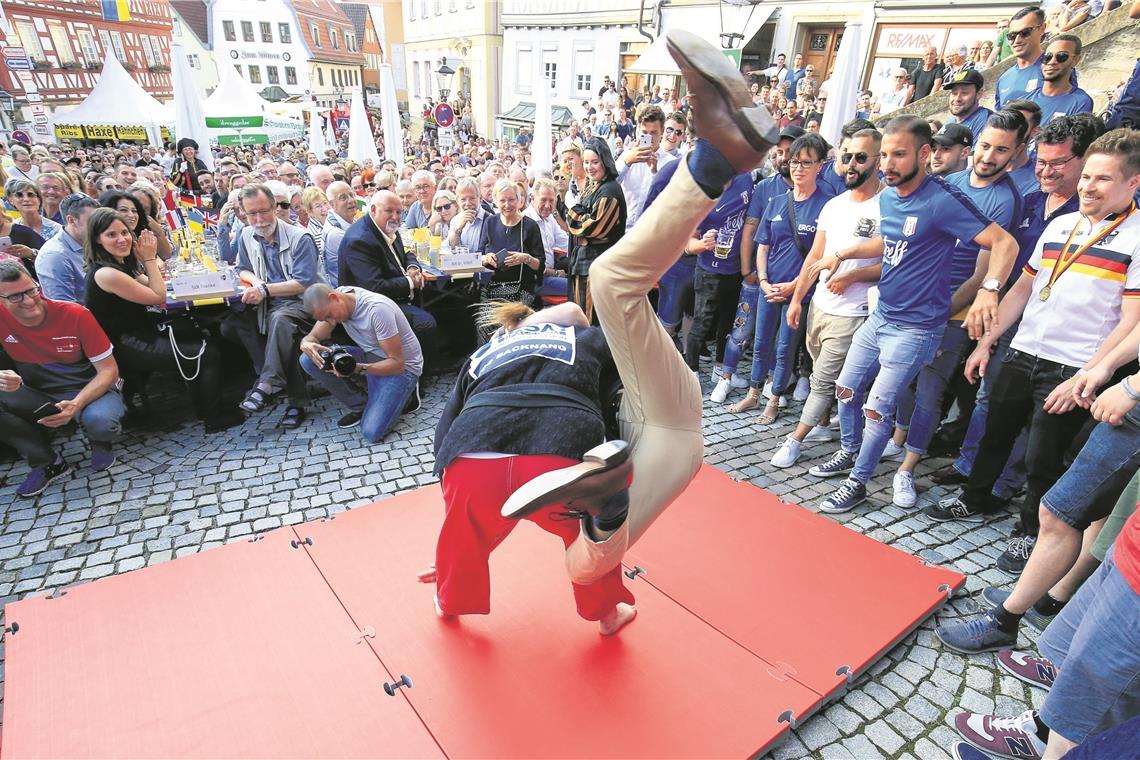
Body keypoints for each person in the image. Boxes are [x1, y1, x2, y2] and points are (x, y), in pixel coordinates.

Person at [493, 29, 778, 596]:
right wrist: (523, 333)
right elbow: (573, 321)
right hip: (654, 414)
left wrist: (520, 336)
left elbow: (573, 317)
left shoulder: (527, 374)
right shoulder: (535, 359)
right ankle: (715, 158)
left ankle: (715, 156)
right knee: (610, 282)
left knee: (587, 566)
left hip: (660, 426)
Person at [928, 129, 1140, 576]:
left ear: (1132, 184)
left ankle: (1031, 531)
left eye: (1103, 179)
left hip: (1072, 364)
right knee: (994, 432)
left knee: (1044, 457)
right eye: (1088, 177)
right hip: (1023, 349)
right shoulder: (1061, 225)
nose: (1088, 186)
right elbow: (1024, 287)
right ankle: (976, 495)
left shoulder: (1136, 237)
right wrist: (985, 342)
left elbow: (1130, 321)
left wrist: (1089, 375)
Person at [808, 115, 1019, 514]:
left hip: (916, 327)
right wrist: (842, 253)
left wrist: (989, 292)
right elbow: (890, 239)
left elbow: (1003, 242)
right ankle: (850, 454)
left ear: (924, 154)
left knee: (878, 407)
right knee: (846, 390)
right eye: (884, 154)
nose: (887, 163)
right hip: (881, 316)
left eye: (898, 154)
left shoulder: (942, 200)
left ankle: (859, 482)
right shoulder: (889, 196)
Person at [887, 111, 1027, 508]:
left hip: (950, 310)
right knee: (904, 379)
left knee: (932, 389)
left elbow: (982, 271)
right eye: (985, 146)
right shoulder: (949, 182)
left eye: (1001, 150)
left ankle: (909, 466)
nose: (988, 156)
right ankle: (897, 440)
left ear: (1017, 153)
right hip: (919, 302)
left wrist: (941, 309)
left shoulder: (1005, 201)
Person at [770, 129, 884, 467]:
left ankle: (794, 440)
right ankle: (824, 424)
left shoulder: (888, 205)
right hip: (820, 305)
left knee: (821, 380)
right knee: (820, 369)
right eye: (847, 156)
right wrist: (796, 299)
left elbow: (893, 261)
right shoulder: (834, 206)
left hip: (855, 312)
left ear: (878, 160)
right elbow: (814, 258)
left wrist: (852, 274)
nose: (851, 164)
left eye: (861, 157)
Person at [82, 207, 243, 434]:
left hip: (139, 331)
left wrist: (150, 264)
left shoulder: (118, 265)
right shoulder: (106, 273)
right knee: (208, 354)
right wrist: (148, 257)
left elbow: (154, 282)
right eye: (111, 235)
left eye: (125, 233)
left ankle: (205, 404)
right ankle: (213, 417)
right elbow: (159, 296)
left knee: (203, 329)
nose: (121, 239)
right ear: (97, 240)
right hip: (125, 344)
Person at [710, 133, 833, 422]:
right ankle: (753, 394)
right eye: (794, 162)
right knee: (761, 343)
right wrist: (763, 279)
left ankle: (774, 398)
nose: (798, 168)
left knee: (784, 347)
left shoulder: (827, 204)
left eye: (806, 163)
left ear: (820, 165)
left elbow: (820, 254)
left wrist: (795, 286)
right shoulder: (777, 201)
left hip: (799, 290)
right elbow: (762, 244)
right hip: (769, 286)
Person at [0, 258, 125, 496]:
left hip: (87, 386)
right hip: (39, 392)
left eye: (31, 290)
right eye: (15, 297)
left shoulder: (75, 314)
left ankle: (98, 438)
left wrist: (76, 404)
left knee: (101, 422)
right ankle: (47, 462)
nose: (28, 301)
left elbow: (109, 371)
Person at [222, 184, 322, 429]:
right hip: (269, 303)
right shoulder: (247, 235)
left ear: (275, 208)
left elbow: (303, 282)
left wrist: (264, 290)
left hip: (308, 303)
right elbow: (242, 268)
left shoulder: (300, 237)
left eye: (264, 211)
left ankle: (276, 388)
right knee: (231, 323)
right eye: (251, 214)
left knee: (282, 324)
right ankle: (269, 376)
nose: (259, 219)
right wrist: (257, 283)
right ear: (243, 214)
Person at [299, 284, 423, 439]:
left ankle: (408, 395)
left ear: (334, 297)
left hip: (402, 366)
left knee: (371, 432)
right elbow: (313, 337)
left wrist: (356, 368)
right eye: (325, 319)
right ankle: (361, 405)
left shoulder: (377, 309)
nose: (331, 323)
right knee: (308, 359)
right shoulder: (337, 300)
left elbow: (398, 364)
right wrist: (306, 342)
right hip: (370, 355)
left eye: (329, 316)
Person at [337, 190, 439, 368]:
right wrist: (411, 282)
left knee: (447, 302)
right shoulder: (360, 240)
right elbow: (375, 288)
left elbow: (406, 253)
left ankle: (444, 360)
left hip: (395, 295)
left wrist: (413, 268)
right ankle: (413, 373)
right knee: (425, 323)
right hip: (372, 307)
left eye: (399, 212)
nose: (395, 216)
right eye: (389, 211)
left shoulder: (386, 227)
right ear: (374, 210)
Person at [562, 138, 627, 322]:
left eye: (595, 162)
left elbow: (590, 228)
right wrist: (578, 217)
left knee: (590, 322)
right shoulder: (595, 187)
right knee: (580, 318)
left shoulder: (610, 192)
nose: (590, 167)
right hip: (584, 264)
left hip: (596, 266)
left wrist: (576, 216)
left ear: (605, 161)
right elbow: (574, 220)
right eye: (586, 162)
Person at [477, 179, 545, 313]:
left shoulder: (530, 226)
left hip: (521, 290)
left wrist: (526, 258)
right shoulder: (490, 222)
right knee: (484, 323)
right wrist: (485, 258)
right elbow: (478, 255)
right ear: (496, 201)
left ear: (519, 200)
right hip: (492, 289)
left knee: (515, 316)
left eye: (511, 200)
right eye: (502, 201)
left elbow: (540, 266)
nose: (507, 205)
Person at [615, 106, 675, 229]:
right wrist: (628, 162)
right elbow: (610, 185)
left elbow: (671, 202)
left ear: (662, 131)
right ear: (638, 131)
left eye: (653, 133)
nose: (649, 138)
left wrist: (655, 173)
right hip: (622, 230)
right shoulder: (627, 156)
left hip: (651, 234)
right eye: (644, 133)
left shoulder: (671, 163)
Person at [35, 194, 99, 304]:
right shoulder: (55, 256)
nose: (99, 226)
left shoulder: (95, 240)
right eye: (93, 221)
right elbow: (64, 309)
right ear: (72, 220)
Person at [1025, 35, 1094, 125]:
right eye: (1047, 57)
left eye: (1061, 56)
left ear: (1075, 60)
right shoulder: (1027, 99)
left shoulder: (1081, 102)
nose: (1052, 62)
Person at [320, 181, 358, 288]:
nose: (351, 201)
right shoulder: (336, 233)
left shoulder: (347, 219)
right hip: (347, 292)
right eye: (343, 198)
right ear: (332, 204)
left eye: (351, 195)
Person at [946, 69, 995, 143]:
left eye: (964, 93)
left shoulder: (987, 119)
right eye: (954, 93)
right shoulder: (949, 122)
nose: (957, 99)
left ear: (979, 94)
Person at [448, 177, 488, 251]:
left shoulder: (490, 220)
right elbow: (452, 248)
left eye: (472, 198)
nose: (468, 203)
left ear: (480, 198)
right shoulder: (455, 221)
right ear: (457, 200)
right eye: (463, 199)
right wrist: (459, 228)